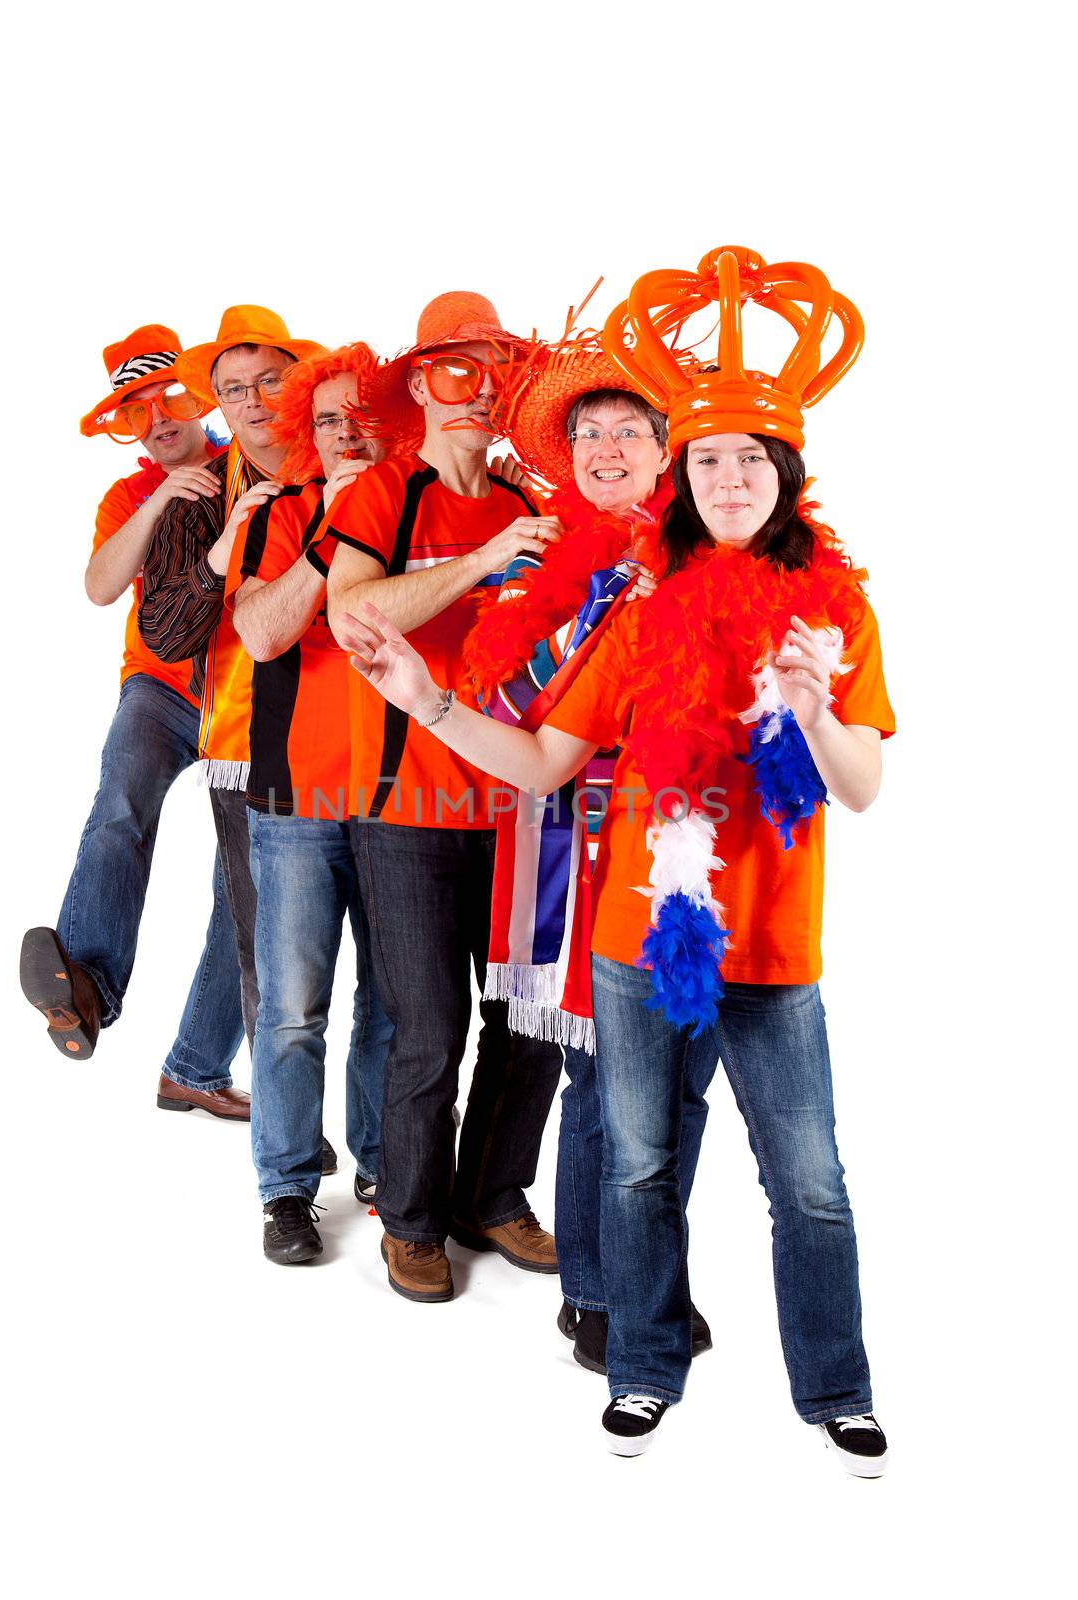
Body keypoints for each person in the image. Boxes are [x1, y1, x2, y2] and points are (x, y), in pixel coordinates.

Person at [338, 247, 894, 1476]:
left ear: (785, 474)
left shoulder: (835, 613)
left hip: (775, 947)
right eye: (712, 458)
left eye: (751, 456)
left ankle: (837, 1392)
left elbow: (860, 786)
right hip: (633, 934)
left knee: (809, 1183)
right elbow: (538, 759)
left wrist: (809, 709)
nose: (730, 473)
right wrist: (426, 695)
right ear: (686, 481)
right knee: (638, 1161)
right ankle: (640, 1367)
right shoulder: (641, 611)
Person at [467, 337, 712, 1373]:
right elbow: (501, 701)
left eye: (629, 432)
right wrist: (601, 616)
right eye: (590, 433)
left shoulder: (714, 550)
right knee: (603, 1076)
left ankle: (649, 1272)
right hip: (575, 840)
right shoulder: (541, 555)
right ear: (566, 454)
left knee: (683, 1079)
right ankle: (596, 1292)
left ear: (667, 453)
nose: (609, 448)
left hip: (690, 842)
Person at [323, 292, 565, 1303]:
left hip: (522, 807)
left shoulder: (526, 503)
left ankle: (491, 1194)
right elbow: (349, 614)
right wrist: (476, 567)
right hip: (408, 813)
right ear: (421, 383)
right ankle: (413, 1220)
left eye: (495, 372)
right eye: (458, 370)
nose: (477, 392)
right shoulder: (383, 495)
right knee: (429, 1027)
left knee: (532, 1025)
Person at [19, 323, 250, 1121]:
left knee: (242, 889)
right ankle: (81, 987)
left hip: (242, 695)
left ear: (199, 397)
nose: (157, 421)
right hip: (158, 689)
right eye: (136, 413)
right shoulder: (127, 495)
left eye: (169, 401)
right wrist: (160, 497)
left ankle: (196, 1066)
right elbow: (98, 585)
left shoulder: (248, 460)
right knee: (120, 803)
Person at [137, 307, 341, 1172]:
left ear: (298, 384)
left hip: (359, 736)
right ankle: (285, 1157)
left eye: (269, 382)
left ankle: (194, 1068)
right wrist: (224, 548)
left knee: (344, 952)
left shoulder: (348, 462)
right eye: (231, 389)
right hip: (246, 745)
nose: (253, 402)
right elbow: (166, 631)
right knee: (275, 960)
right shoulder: (200, 492)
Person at [224, 343, 397, 1264]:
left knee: (395, 1003)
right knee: (291, 1007)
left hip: (402, 797)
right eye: (327, 418)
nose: (347, 431)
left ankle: (379, 1166)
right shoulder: (279, 514)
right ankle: (287, 1187)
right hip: (293, 798)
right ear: (306, 431)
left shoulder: (415, 505)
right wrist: (338, 529)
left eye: (362, 414)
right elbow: (260, 630)